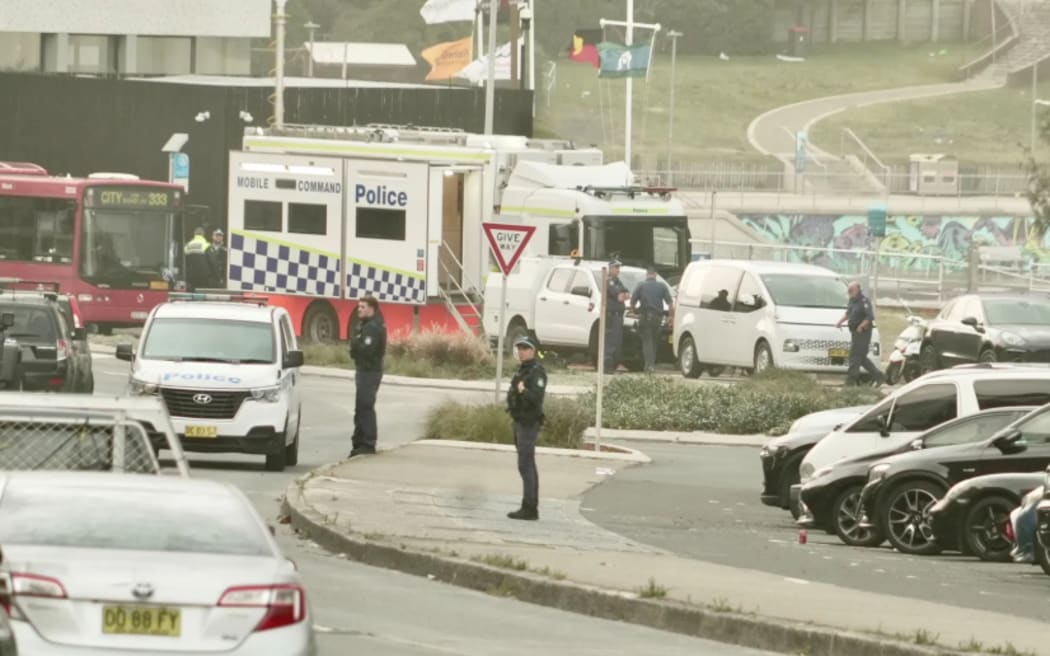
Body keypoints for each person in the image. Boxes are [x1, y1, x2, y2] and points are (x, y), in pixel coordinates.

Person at [506, 335, 547, 521]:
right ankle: (528, 505)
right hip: (519, 421)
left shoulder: (537, 372)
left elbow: (536, 399)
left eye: (525, 348)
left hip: (529, 423)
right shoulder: (522, 371)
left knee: (526, 464)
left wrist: (523, 390)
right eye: (520, 348)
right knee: (524, 465)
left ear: (533, 351)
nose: (521, 352)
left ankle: (530, 507)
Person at [349, 296, 387, 457]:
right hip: (363, 370)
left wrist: (357, 343)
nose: (359, 310)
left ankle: (368, 443)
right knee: (360, 407)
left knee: (366, 406)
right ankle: (358, 442)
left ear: (371, 308)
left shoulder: (373, 327)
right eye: (359, 307)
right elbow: (354, 351)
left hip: (370, 372)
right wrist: (357, 344)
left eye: (363, 307)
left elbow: (367, 351)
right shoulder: (363, 325)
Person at [836, 281, 885, 387]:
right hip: (854, 332)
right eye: (848, 290)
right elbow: (849, 313)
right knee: (861, 358)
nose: (849, 292)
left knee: (854, 356)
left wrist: (861, 326)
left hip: (863, 333)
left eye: (851, 290)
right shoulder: (852, 300)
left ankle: (850, 381)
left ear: (857, 289)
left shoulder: (864, 301)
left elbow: (870, 317)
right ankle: (879, 376)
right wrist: (840, 322)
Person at [631, 266, 673, 373]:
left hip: (645, 316)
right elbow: (670, 304)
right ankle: (651, 365)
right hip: (658, 318)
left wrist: (635, 311)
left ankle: (649, 365)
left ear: (647, 275)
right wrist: (670, 317)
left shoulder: (641, 285)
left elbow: (632, 301)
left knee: (647, 342)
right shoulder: (662, 286)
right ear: (655, 275)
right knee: (654, 342)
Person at [604, 260, 630, 372]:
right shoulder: (608, 281)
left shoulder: (618, 281)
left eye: (619, 268)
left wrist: (623, 295)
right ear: (610, 268)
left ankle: (616, 365)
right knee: (610, 342)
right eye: (616, 268)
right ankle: (607, 367)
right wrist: (623, 295)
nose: (618, 270)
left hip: (619, 316)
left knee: (617, 342)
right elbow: (620, 297)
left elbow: (628, 294)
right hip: (611, 316)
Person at [183, 227, 213, 292]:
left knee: (191, 296)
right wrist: (216, 276)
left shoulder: (187, 245)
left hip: (190, 277)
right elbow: (212, 262)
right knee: (202, 296)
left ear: (194, 234)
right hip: (203, 277)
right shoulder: (206, 245)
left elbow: (184, 261)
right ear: (203, 234)